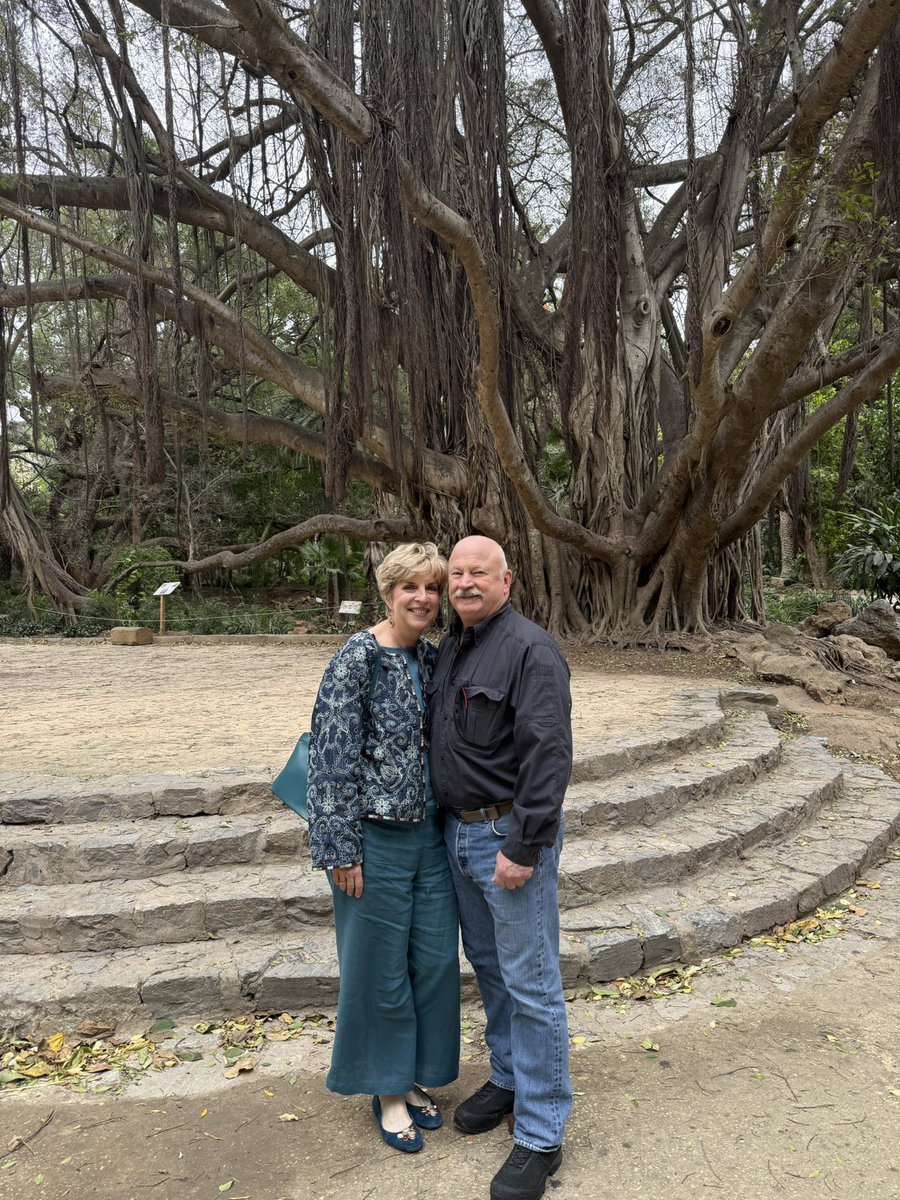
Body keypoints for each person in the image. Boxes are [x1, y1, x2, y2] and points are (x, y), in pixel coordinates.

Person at [429, 535, 573, 1200]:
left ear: (506, 579)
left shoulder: (529, 649)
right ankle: (510, 1076)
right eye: (456, 573)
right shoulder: (454, 645)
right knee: (490, 970)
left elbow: (548, 753)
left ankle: (541, 1134)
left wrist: (524, 846)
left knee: (532, 980)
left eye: (477, 572)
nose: (464, 582)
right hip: (458, 836)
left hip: (506, 838)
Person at [307, 542, 460, 1153]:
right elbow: (331, 758)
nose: (422, 598)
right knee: (378, 970)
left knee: (435, 963)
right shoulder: (356, 659)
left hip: (432, 837)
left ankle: (417, 1073)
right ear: (387, 592)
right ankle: (387, 1088)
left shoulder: (431, 659)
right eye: (409, 588)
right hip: (372, 839)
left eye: (431, 587)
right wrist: (340, 849)